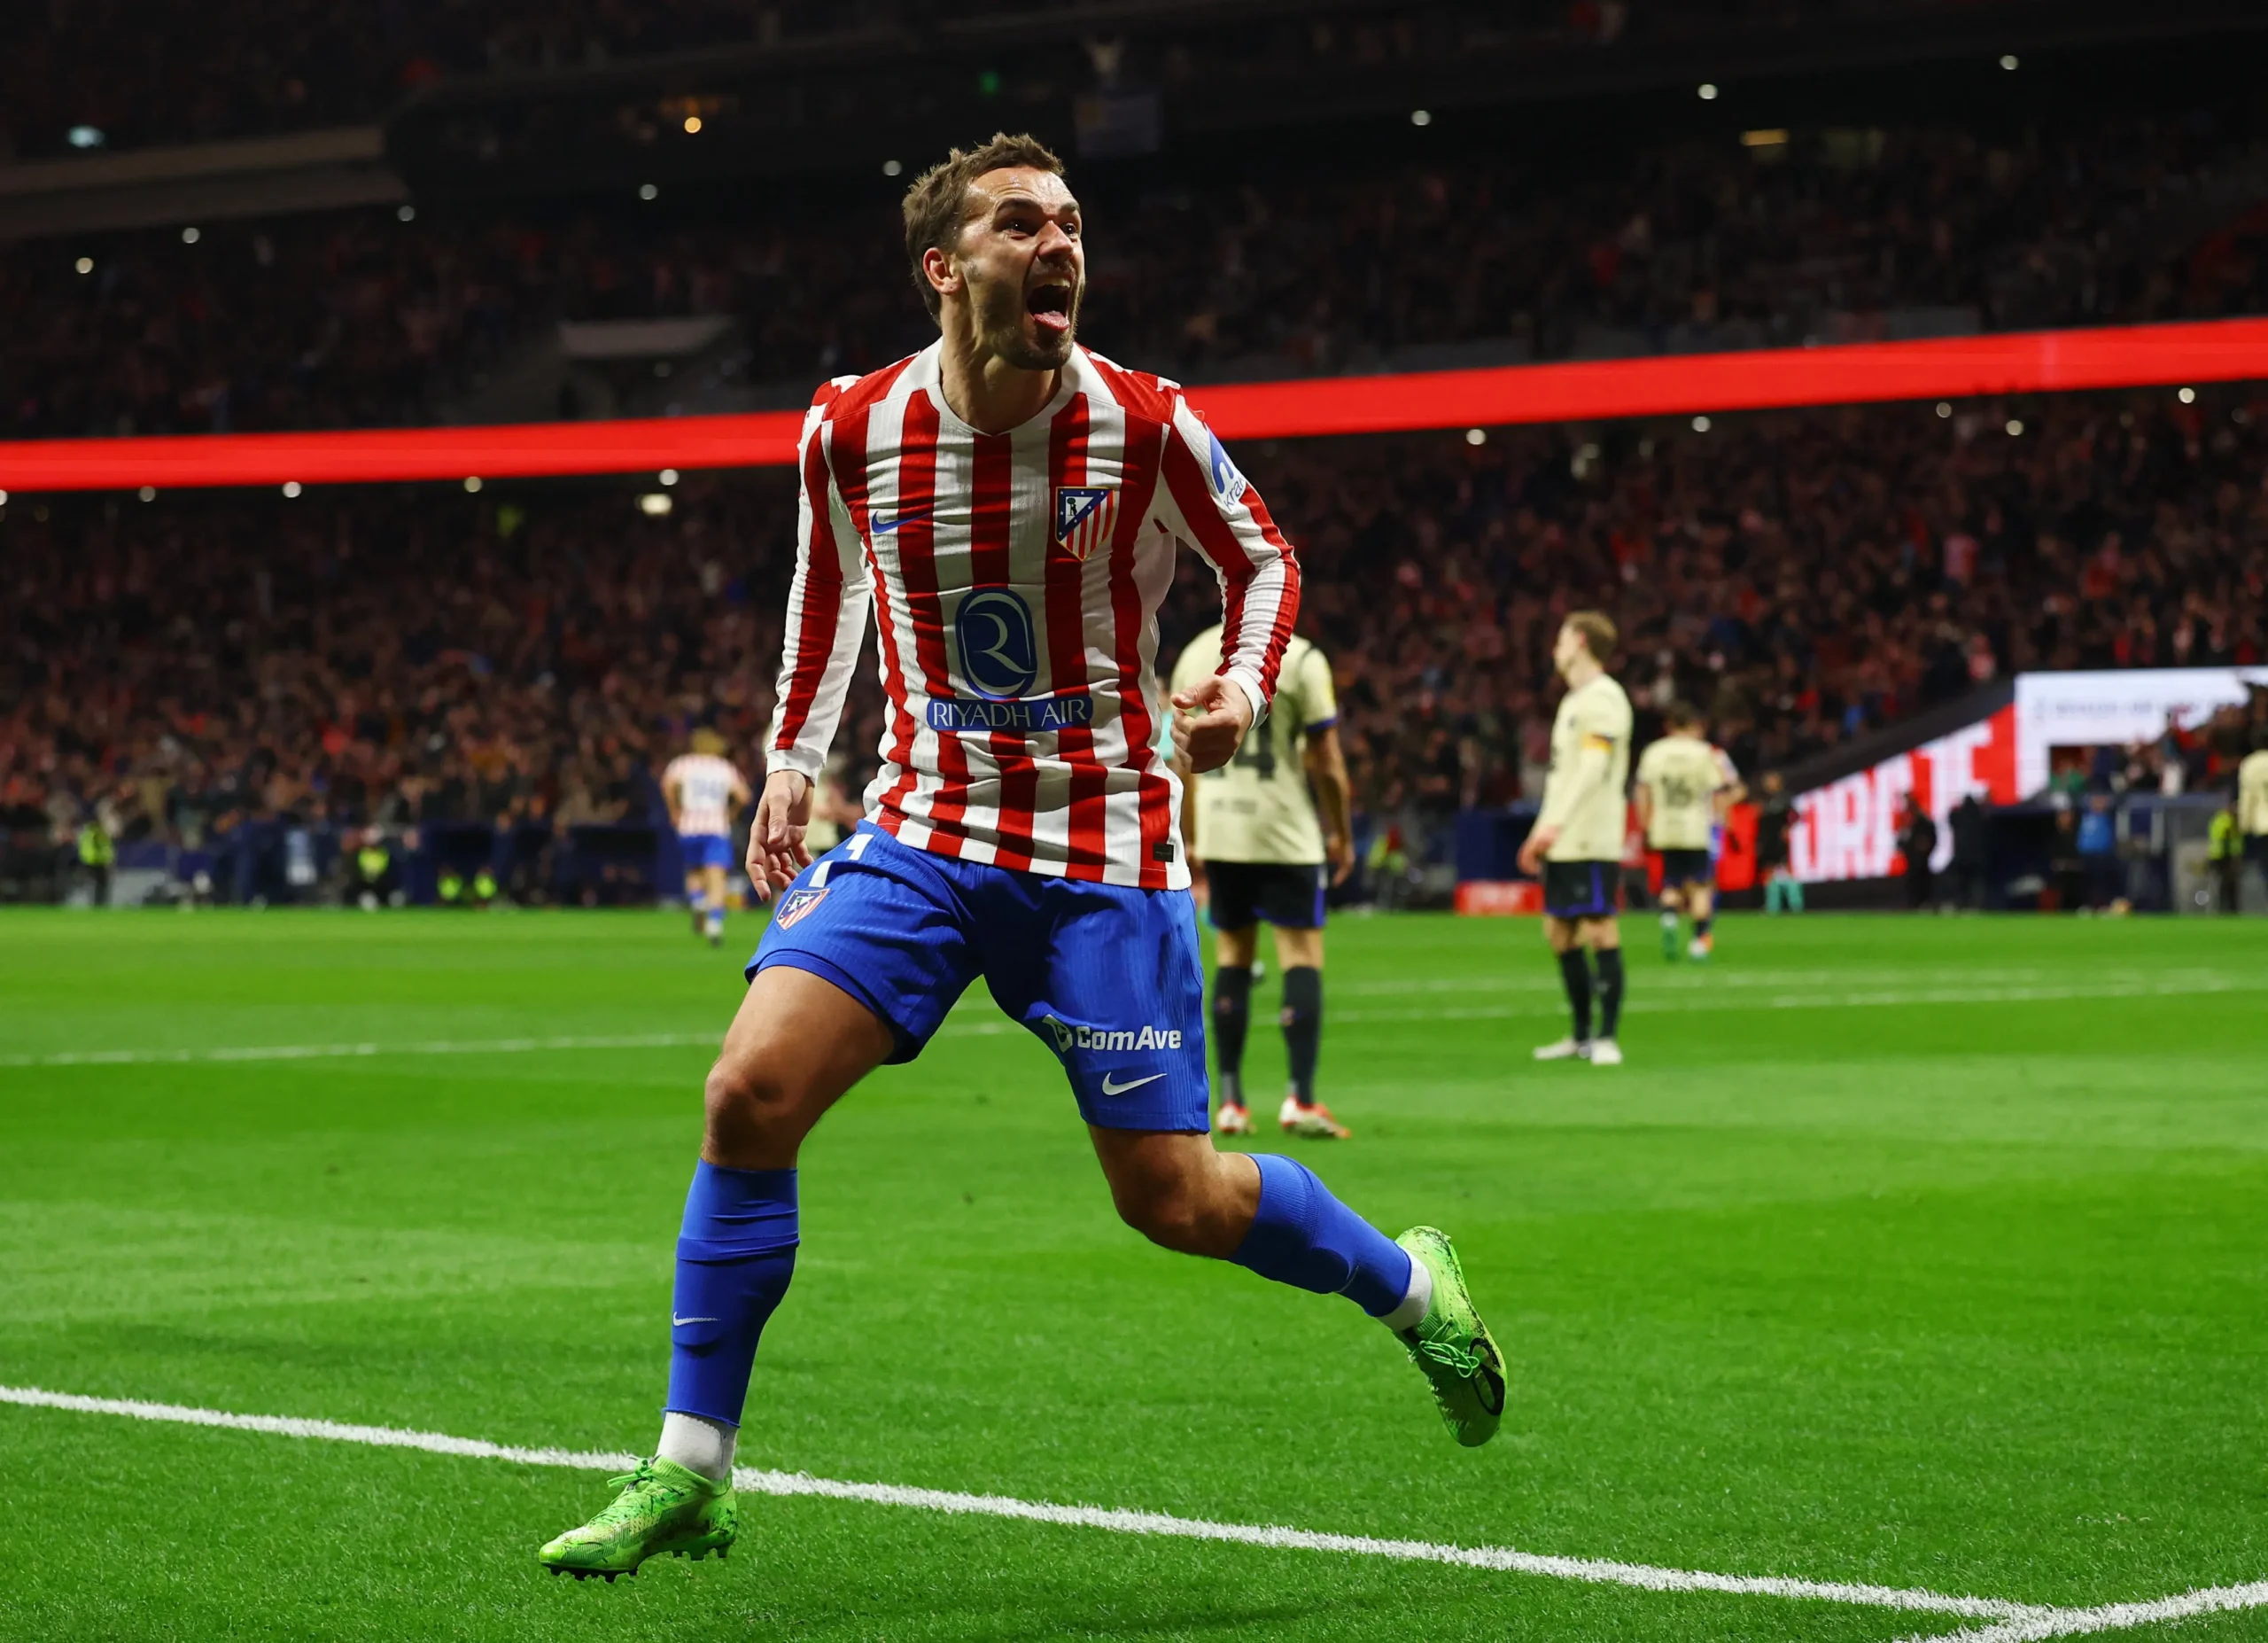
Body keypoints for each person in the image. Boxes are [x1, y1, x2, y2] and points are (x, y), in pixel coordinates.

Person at [538, 133, 1505, 1582]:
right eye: (1020, 222)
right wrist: (793, 760)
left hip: (1101, 848)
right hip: (923, 830)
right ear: (946, 267)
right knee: (747, 1091)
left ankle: (1411, 1284)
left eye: (1071, 223)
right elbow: (827, 590)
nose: (1060, 243)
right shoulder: (851, 426)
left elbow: (1263, 562)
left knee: (1171, 1197)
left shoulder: (1145, 420)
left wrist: (1242, 686)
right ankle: (691, 1464)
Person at [1170, 620, 1355, 1140]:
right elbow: (1326, 759)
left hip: (1222, 827)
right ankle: (1301, 1098)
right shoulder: (1302, 658)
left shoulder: (1195, 653)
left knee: (1233, 956)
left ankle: (1231, 1102)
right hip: (1284, 829)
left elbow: (1180, 757)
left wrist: (1191, 833)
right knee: (1301, 954)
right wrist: (1341, 833)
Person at [1518, 611, 1634, 1067]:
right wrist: (1540, 831)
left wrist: (1556, 825)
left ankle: (1607, 1038)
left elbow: (1593, 768)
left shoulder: (1604, 698)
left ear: (1581, 641)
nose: (1555, 649)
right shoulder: (1574, 701)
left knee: (1599, 928)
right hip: (1564, 836)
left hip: (1591, 835)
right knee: (1559, 932)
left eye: (1561, 639)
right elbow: (1562, 778)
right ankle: (1581, 1036)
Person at [1633, 702, 1728, 961]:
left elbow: (1643, 790)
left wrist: (1645, 823)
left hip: (1665, 826)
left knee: (1671, 883)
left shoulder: (1654, 752)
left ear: (1669, 725)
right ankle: (1699, 942)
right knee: (1700, 886)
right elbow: (1718, 790)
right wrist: (1719, 822)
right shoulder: (1703, 752)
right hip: (1695, 827)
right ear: (1694, 725)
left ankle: (1669, 919)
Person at [664, 728, 753, 947]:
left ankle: (698, 902)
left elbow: (667, 783)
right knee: (716, 876)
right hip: (716, 827)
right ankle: (714, 922)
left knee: (694, 871)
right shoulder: (723, 768)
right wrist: (731, 814)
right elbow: (744, 796)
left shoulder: (684, 764)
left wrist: (674, 810)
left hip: (689, 826)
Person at [1754, 770, 1803, 915]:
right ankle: (1772, 906)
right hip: (1767, 839)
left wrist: (1787, 828)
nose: (1768, 784)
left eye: (1771, 780)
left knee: (1786, 870)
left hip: (1779, 839)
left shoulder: (1784, 798)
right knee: (1769, 872)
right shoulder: (1763, 799)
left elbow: (1796, 815)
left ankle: (1796, 904)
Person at [1946, 792, 1990, 911]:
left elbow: (1951, 819)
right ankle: (1976, 905)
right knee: (1975, 883)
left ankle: (1961, 903)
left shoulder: (1960, 815)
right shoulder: (1979, 815)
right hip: (1976, 856)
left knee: (1961, 883)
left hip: (1962, 856)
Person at [2241, 736, 2268, 911]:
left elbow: (2247, 798)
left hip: (2262, 824)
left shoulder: (2250, 764)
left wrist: (2244, 825)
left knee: (2266, 869)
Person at [1899, 797, 1938, 910]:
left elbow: (1931, 839)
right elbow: (1901, 842)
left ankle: (1924, 903)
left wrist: (1926, 848)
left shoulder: (1924, 823)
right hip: (1911, 861)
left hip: (1922, 861)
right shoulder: (1907, 824)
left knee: (1922, 883)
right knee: (1912, 883)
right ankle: (1913, 904)